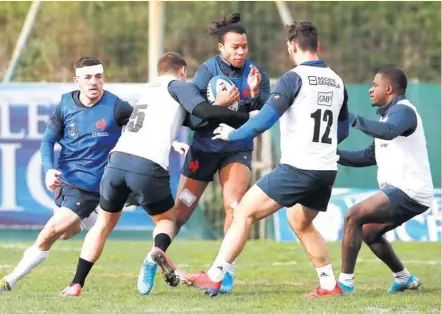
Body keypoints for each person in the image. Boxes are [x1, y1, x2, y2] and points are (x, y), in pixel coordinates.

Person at [59, 52, 258, 297]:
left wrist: (216, 107)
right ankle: (156, 252)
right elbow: (203, 113)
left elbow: (194, 121)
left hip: (117, 162)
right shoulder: (178, 86)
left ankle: (76, 284)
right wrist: (245, 116)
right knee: (167, 220)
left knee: (102, 225)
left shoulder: (149, 91)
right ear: (183, 71)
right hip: (147, 164)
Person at [182, 20, 350, 298]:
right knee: (301, 222)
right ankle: (329, 284)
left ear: (292, 46)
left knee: (242, 212)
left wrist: (232, 136)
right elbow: (341, 130)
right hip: (325, 169)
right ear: (318, 46)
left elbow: (262, 122)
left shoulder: (293, 78)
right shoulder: (337, 81)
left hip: (298, 168)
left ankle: (214, 276)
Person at [137, 12, 270, 296]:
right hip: (204, 150)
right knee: (180, 213)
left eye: (244, 46)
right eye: (234, 46)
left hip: (237, 149)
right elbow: (193, 118)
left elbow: (264, 115)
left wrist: (256, 94)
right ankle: (153, 257)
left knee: (234, 207)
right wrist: (221, 105)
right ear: (221, 47)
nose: (241, 51)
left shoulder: (257, 75)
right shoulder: (207, 72)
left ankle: (224, 271)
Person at [0, 56, 133, 292]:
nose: (94, 82)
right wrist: (49, 169)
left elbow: (145, 127)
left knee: (49, 232)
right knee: (66, 233)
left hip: (92, 185)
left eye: (99, 77)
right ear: (76, 81)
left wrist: (173, 144)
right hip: (67, 182)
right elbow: (48, 140)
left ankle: (10, 279)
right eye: (88, 77)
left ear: (104, 79)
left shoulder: (117, 106)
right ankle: (93, 218)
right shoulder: (65, 104)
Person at [336, 68, 433, 294]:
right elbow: (369, 156)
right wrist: (333, 154)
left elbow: (388, 132)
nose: (370, 89)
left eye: (375, 85)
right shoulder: (387, 117)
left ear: (388, 89)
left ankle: (344, 284)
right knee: (369, 231)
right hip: (404, 192)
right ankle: (404, 278)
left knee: (353, 215)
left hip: (409, 191)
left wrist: (351, 119)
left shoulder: (404, 112)